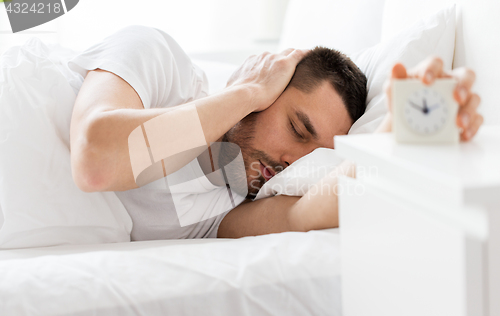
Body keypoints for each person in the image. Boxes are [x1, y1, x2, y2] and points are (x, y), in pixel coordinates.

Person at [69, 25, 483, 240]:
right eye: (297, 128)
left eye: (311, 156)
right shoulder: (161, 64)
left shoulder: (219, 211)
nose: (291, 163)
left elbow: (306, 214)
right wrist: (245, 92)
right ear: (266, 83)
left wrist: (405, 131)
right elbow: (96, 161)